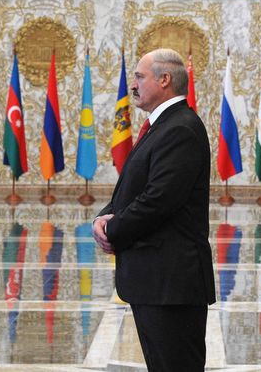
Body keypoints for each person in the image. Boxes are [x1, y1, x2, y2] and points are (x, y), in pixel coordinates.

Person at [92, 48, 216, 371]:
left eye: (139, 77)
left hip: (171, 284)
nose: (133, 84)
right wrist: (104, 218)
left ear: (164, 80)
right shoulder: (160, 126)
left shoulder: (181, 129)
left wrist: (113, 231)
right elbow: (132, 187)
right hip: (155, 283)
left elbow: (158, 200)